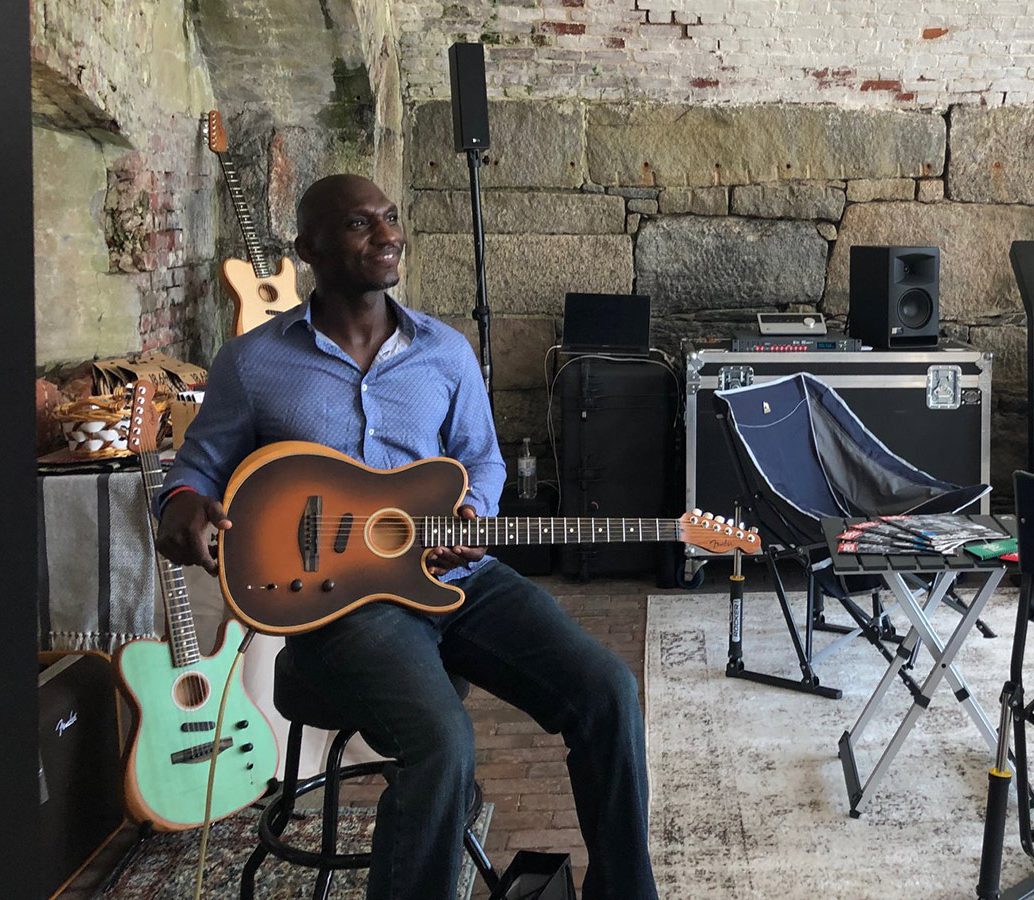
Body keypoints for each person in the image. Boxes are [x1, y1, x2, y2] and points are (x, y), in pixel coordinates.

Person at [155, 173, 658, 900]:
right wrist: (181, 505)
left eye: (390, 218)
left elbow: (480, 457)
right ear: (309, 248)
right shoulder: (253, 361)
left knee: (608, 690)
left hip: (457, 581)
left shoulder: (446, 352)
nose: (388, 235)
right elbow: (196, 469)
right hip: (341, 607)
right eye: (362, 225)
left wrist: (473, 511)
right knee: (442, 742)